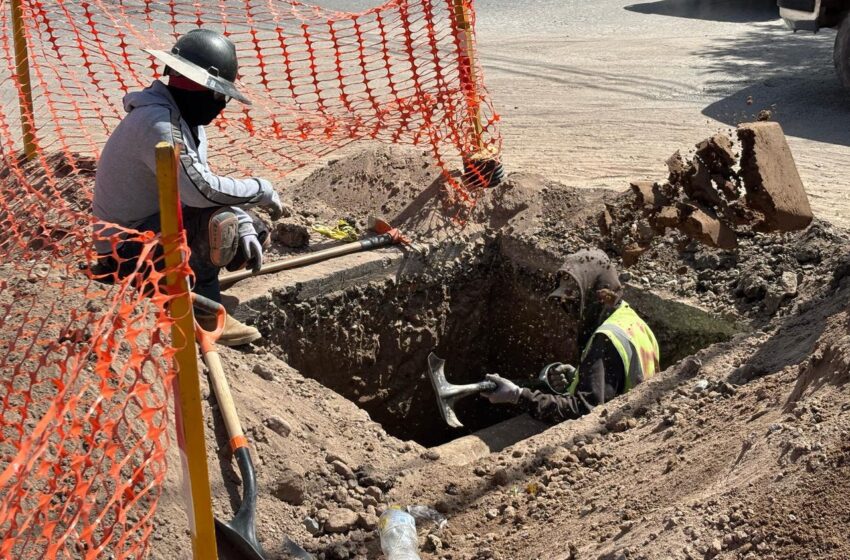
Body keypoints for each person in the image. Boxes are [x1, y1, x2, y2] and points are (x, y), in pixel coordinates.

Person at [92, 28, 283, 346]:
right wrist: (260, 189)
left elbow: (198, 186)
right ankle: (203, 311)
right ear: (200, 86)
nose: (221, 104)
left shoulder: (182, 118)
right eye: (219, 95)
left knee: (250, 228)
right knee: (220, 225)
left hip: (151, 233)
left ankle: (177, 286)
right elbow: (200, 192)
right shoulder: (160, 124)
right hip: (125, 255)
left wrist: (247, 222)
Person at [483, 249, 660, 424]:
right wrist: (580, 376)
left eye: (575, 300)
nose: (570, 310)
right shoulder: (630, 320)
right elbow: (617, 378)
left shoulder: (604, 340)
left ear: (596, 295)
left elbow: (585, 411)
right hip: (637, 421)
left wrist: (519, 396)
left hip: (615, 434)